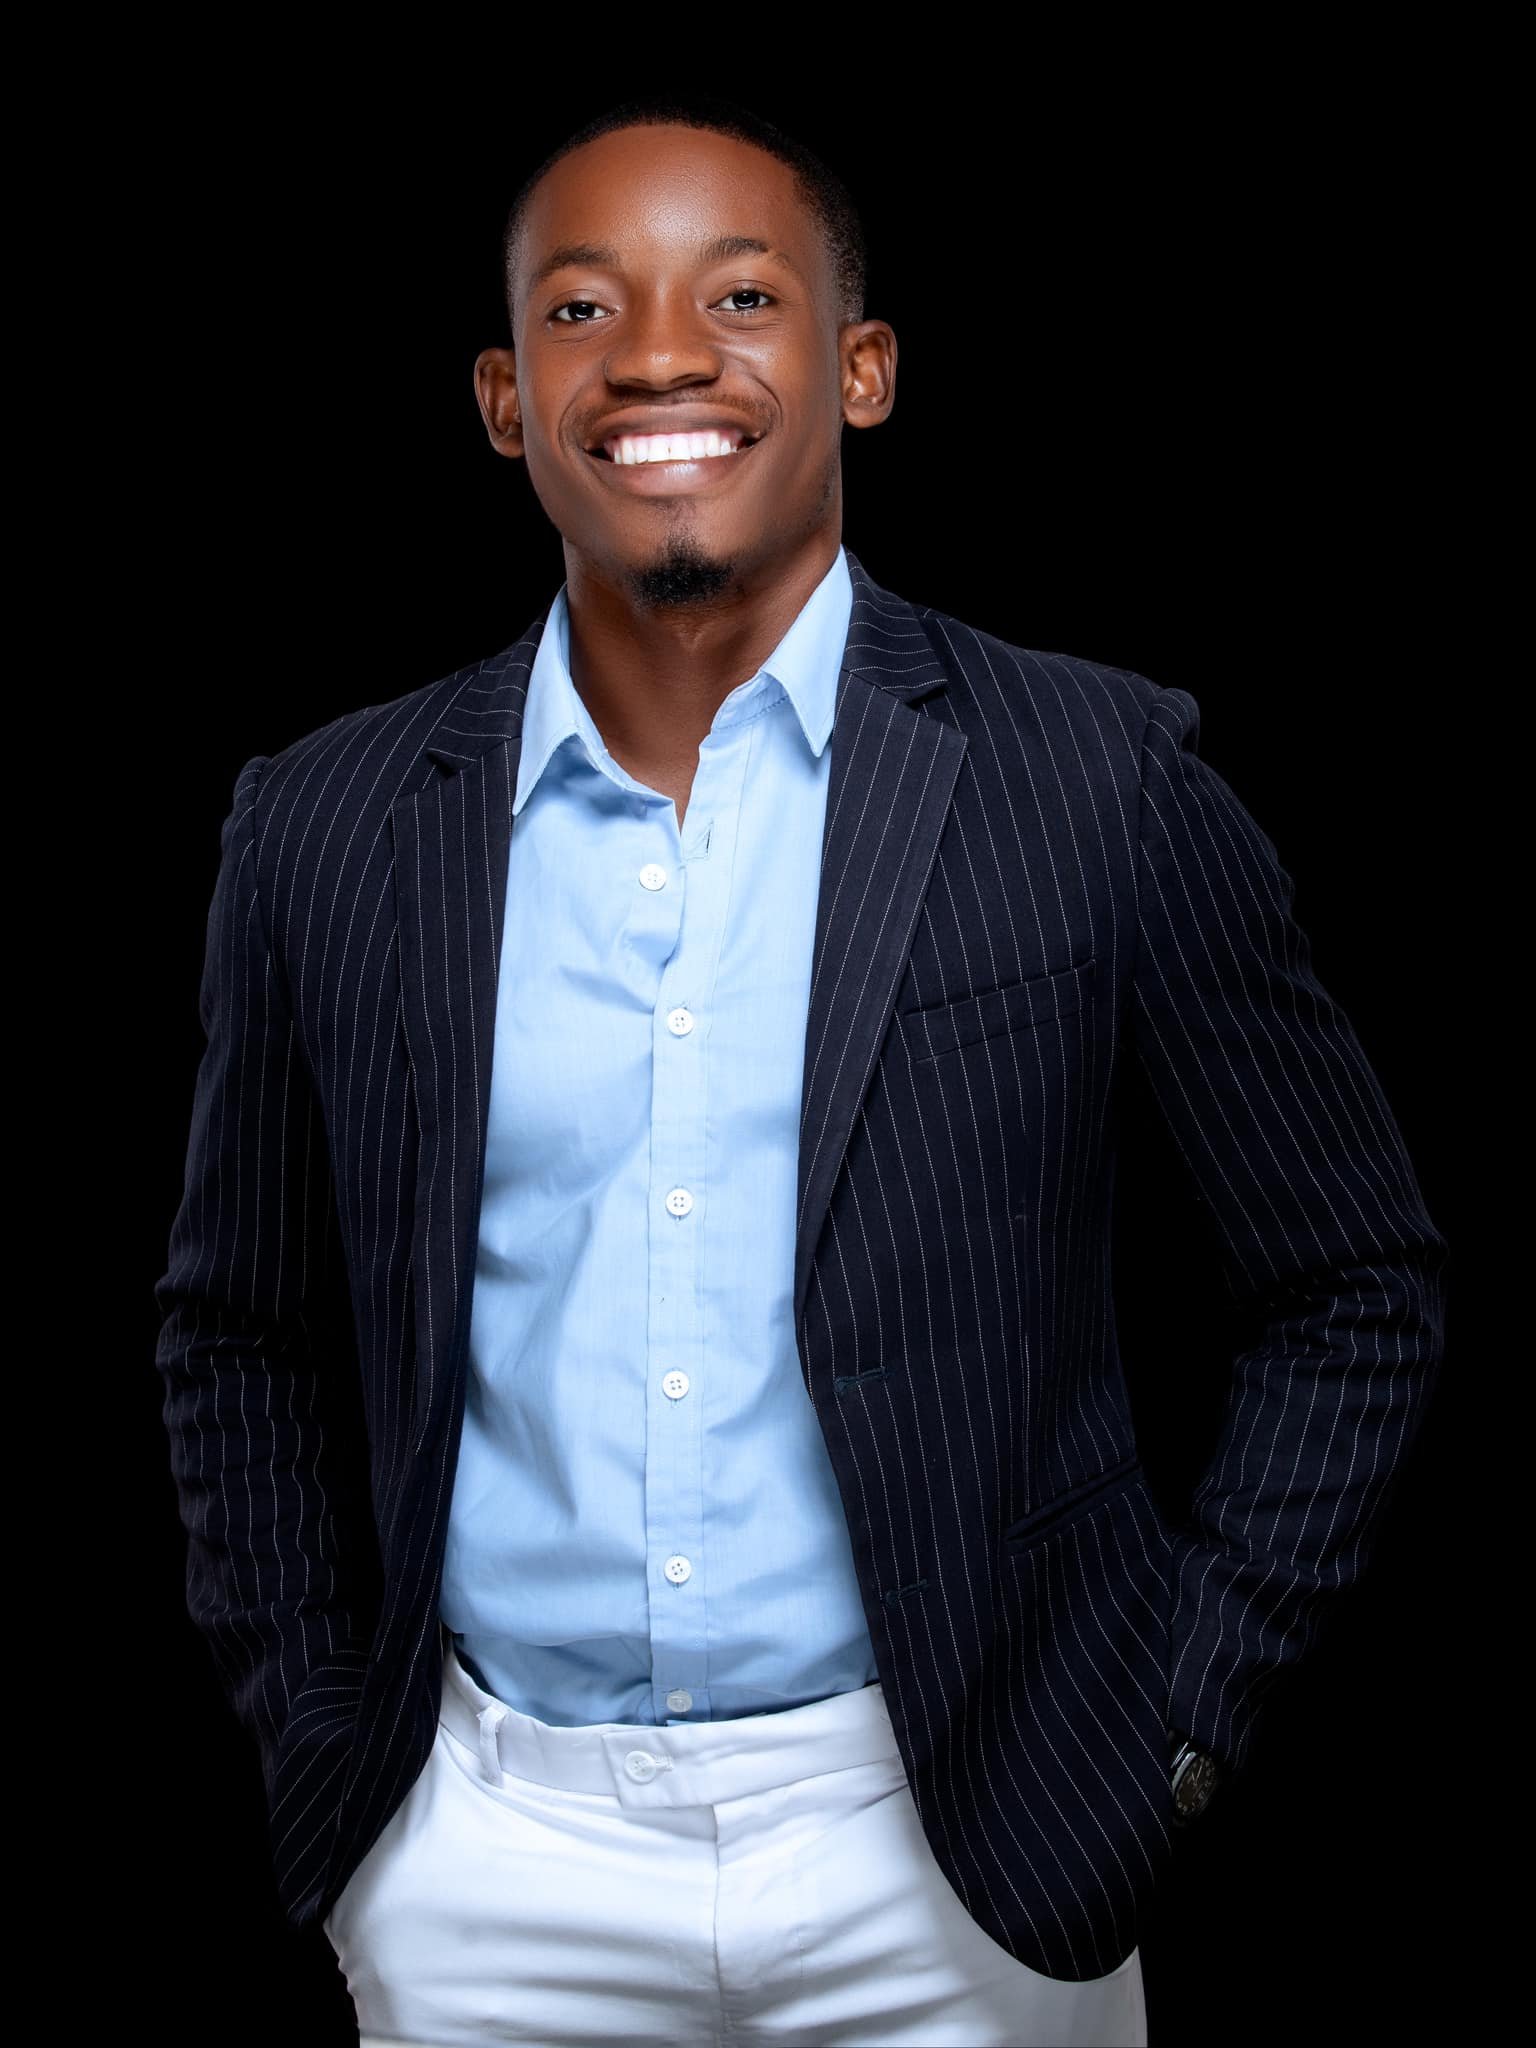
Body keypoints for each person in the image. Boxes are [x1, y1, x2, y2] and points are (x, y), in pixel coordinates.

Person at [153, 91, 1449, 2048]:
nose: (659, 354)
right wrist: (332, 1777)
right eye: (583, 308)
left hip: (968, 1858)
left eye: (740, 295)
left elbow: (1350, 1282)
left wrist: (1172, 1730)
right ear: (506, 402)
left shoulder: (1094, 779)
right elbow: (236, 1330)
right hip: (493, 1863)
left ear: (862, 369)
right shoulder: (324, 827)